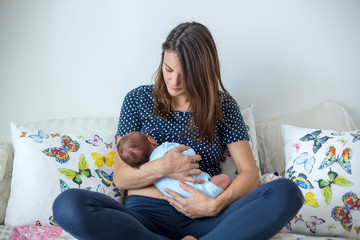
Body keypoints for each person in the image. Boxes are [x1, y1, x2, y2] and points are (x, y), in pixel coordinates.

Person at [53, 21, 303, 240]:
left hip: (206, 218)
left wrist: (215, 205)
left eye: (185, 75)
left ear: (203, 72)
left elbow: (250, 175)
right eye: (168, 70)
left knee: (286, 192)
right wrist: (164, 167)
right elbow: (121, 176)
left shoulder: (223, 105)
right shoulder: (138, 99)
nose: (173, 82)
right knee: (67, 205)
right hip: (144, 218)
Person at [117, 131, 232, 198]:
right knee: (225, 179)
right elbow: (188, 155)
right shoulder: (165, 148)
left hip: (180, 201)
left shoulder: (149, 176)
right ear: (151, 140)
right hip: (204, 189)